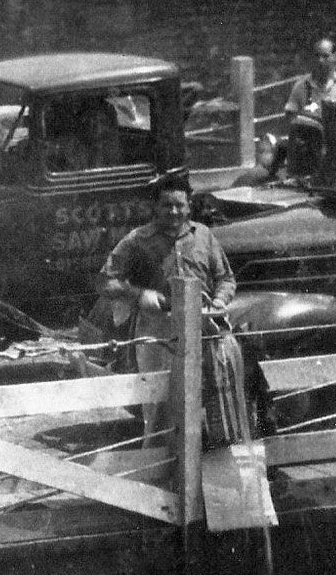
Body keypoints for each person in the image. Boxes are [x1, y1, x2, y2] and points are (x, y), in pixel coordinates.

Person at [100, 170, 243, 445]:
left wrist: (218, 303)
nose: (174, 211)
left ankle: (210, 464)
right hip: (157, 332)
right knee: (158, 408)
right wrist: (139, 295)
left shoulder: (204, 236)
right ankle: (157, 465)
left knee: (212, 403)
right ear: (155, 207)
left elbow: (225, 278)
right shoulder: (137, 241)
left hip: (202, 328)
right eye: (167, 205)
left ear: (189, 206)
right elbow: (105, 281)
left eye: (180, 205)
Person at [285, 37, 336, 124]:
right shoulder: (301, 87)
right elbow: (291, 117)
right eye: (317, 56)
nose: (320, 61)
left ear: (334, 57)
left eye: (325, 56)